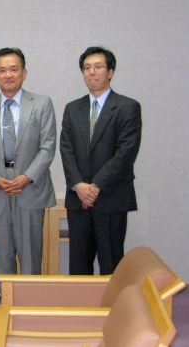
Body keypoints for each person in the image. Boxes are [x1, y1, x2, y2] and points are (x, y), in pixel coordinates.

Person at [0, 47, 56, 275]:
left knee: (30, 262)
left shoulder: (41, 104)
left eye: (13, 69)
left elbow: (47, 148)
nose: (8, 75)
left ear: (24, 73)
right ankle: (3, 308)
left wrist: (27, 177)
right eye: (2, 70)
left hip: (29, 193)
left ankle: (29, 310)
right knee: (1, 264)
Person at [60, 46, 142, 275]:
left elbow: (125, 154)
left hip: (111, 198)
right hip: (78, 201)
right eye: (87, 68)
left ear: (111, 72)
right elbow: (66, 151)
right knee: (78, 265)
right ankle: (80, 310)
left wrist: (95, 188)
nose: (92, 72)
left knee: (111, 264)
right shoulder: (72, 109)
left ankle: (112, 311)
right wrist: (79, 186)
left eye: (98, 67)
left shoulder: (127, 107)